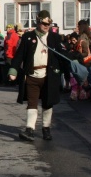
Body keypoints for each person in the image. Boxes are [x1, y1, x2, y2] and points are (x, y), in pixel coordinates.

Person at [9, 10, 65, 141]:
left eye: (48, 24)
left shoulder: (55, 38)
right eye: (44, 23)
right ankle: (30, 129)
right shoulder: (28, 37)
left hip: (49, 75)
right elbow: (19, 55)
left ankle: (46, 128)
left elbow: (63, 54)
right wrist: (13, 70)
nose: (46, 26)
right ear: (38, 22)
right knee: (32, 103)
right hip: (32, 75)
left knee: (47, 103)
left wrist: (74, 64)